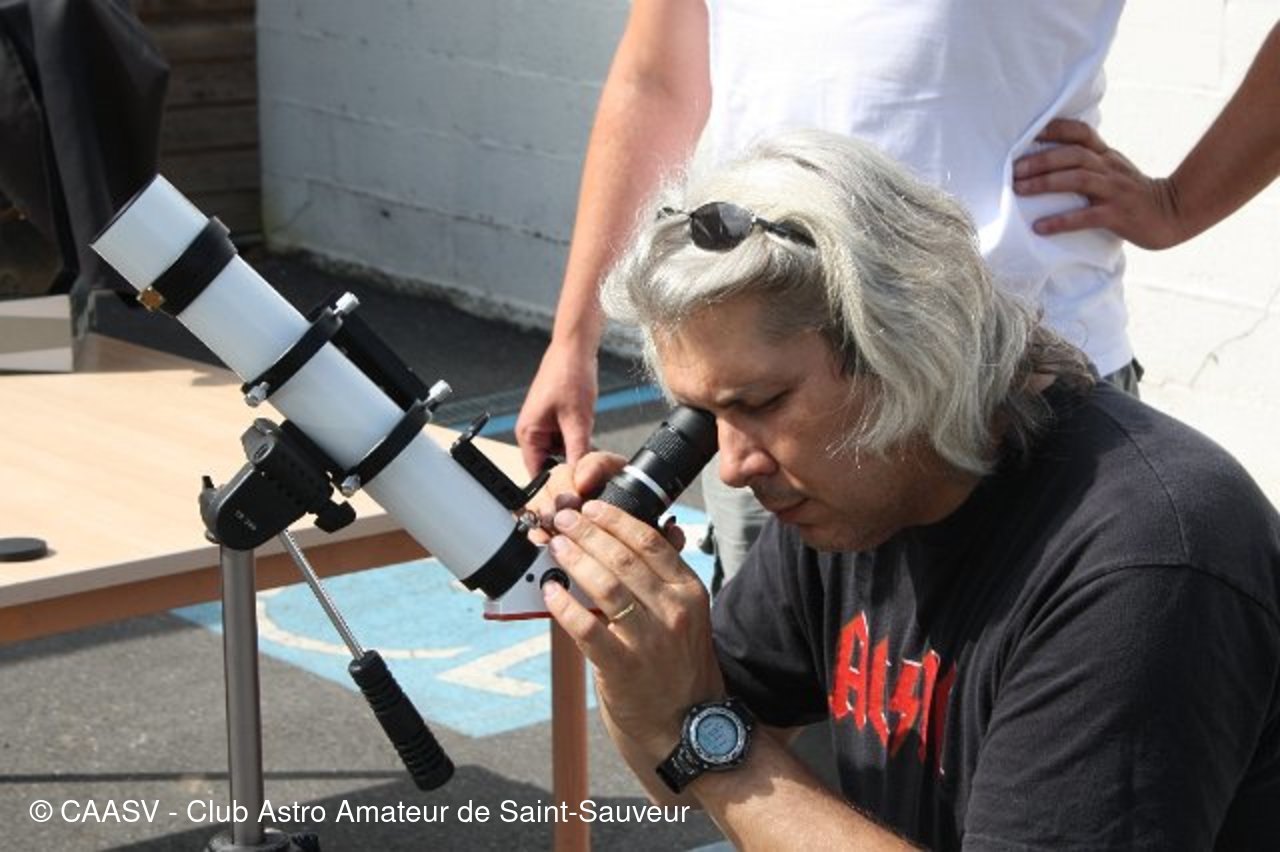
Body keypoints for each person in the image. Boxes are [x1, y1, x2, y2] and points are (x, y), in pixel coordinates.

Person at [536, 129, 1280, 850]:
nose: (731, 466)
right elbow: (672, 777)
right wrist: (628, 643)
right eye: (704, 418)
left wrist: (707, 731)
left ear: (905, 343)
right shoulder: (849, 490)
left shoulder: (1145, 560)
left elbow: (703, 756)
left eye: (760, 403)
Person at [515, 1, 1280, 585]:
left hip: (1008, 395)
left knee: (1016, 724)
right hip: (767, 389)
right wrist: (574, 335)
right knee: (770, 722)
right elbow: (656, 80)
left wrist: (1176, 205)